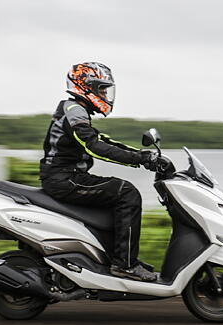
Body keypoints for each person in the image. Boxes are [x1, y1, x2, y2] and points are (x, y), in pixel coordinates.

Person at [39, 62, 159, 282]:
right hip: (64, 178)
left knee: (117, 196)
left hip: (68, 176)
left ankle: (121, 257)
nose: (105, 94)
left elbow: (102, 140)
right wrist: (139, 159)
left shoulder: (76, 110)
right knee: (126, 193)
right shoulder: (74, 110)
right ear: (86, 86)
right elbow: (92, 146)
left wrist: (144, 155)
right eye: (101, 89)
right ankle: (125, 265)